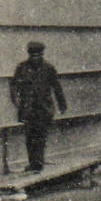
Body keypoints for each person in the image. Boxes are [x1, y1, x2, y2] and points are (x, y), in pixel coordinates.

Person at [10, 41, 68, 172]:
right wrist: (16, 100)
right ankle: (33, 162)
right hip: (28, 108)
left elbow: (57, 87)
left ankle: (38, 163)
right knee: (30, 136)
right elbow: (14, 85)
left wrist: (62, 104)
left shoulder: (49, 68)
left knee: (41, 135)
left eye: (38, 55)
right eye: (33, 56)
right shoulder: (22, 68)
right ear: (29, 55)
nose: (35, 58)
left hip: (44, 108)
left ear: (42, 55)